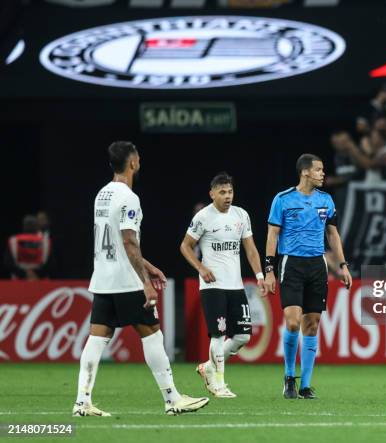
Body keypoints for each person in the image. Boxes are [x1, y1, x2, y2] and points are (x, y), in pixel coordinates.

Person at [73, 141, 208, 417]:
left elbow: (115, 241)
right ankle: (172, 399)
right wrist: (145, 281)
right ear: (132, 163)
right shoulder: (129, 197)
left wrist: (148, 265)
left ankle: (82, 402)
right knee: (152, 333)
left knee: (96, 339)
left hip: (103, 278)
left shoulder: (102, 194)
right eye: (138, 158)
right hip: (126, 281)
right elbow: (128, 241)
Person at [263, 154, 352, 400]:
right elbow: (272, 235)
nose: (323, 174)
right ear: (305, 172)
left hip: (317, 265)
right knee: (292, 321)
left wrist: (343, 265)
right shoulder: (282, 199)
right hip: (291, 264)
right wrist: (269, 269)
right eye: (319, 170)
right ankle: (289, 377)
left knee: (311, 324)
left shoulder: (326, 200)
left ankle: (305, 385)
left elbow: (333, 235)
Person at [180, 173, 265, 398]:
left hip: (235, 286)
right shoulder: (203, 217)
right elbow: (186, 246)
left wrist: (259, 275)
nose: (227, 196)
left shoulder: (241, 215)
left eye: (230, 192)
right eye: (222, 192)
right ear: (212, 194)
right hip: (212, 285)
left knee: (243, 336)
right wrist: (201, 268)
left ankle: (208, 367)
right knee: (218, 335)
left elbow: (251, 249)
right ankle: (218, 383)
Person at [4, 214, 52, 280]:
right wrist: (36, 274)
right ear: (37, 227)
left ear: (24, 227)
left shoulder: (13, 241)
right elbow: (51, 264)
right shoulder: (46, 242)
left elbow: (8, 263)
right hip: (39, 279)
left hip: (19, 280)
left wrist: (24, 274)